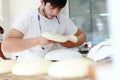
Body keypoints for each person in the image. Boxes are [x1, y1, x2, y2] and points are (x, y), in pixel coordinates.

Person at [1, 0, 86, 61]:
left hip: (54, 70)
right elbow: (7, 46)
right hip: (30, 70)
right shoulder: (27, 18)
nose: (56, 12)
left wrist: (73, 43)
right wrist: (37, 41)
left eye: (59, 9)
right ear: (42, 2)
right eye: (52, 7)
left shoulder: (63, 20)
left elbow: (82, 35)